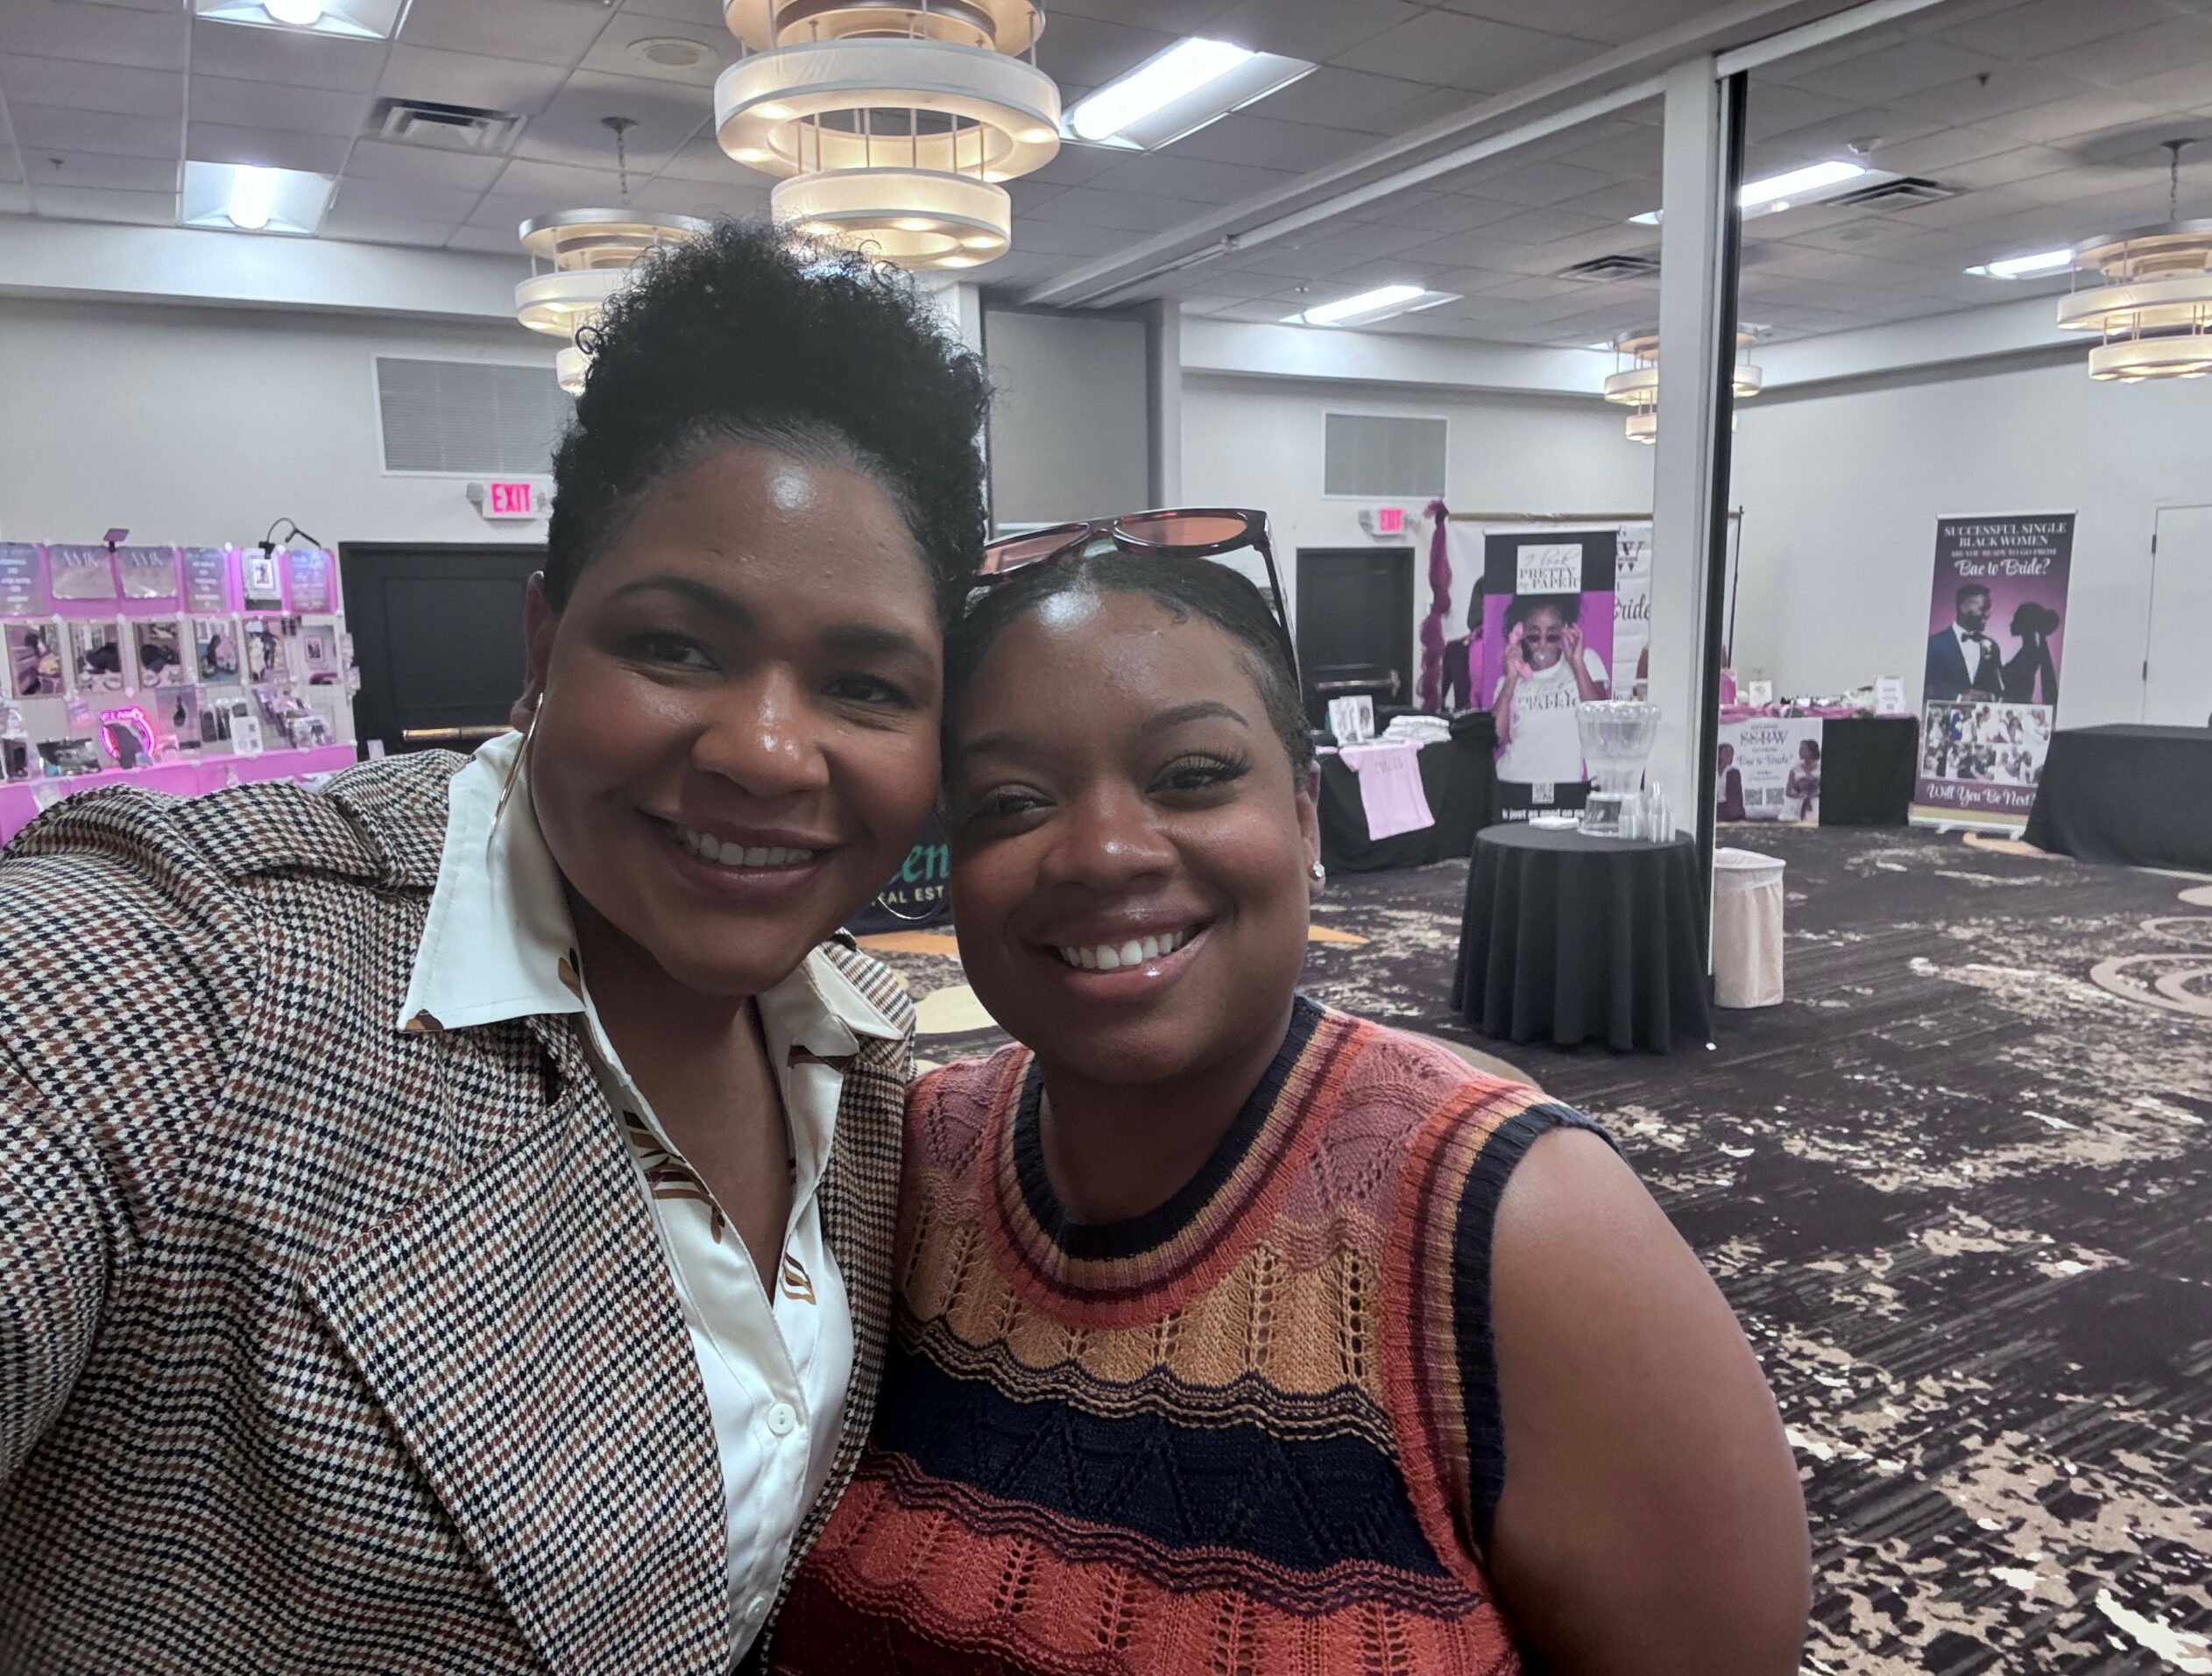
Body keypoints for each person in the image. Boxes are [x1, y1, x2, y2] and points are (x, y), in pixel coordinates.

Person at [0, 223, 990, 1669]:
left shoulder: (868, 1064)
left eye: (864, 683)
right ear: (541, 647)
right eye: (677, 646)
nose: (769, 751)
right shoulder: (202, 964)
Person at [770, 551, 1812, 1673]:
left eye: (1192, 774)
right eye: (1013, 801)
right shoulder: (897, 1161)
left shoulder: (1517, 1227)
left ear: (1307, 815)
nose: (1105, 851)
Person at [1488, 593, 1608, 786]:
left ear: (1565, 631)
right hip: (1512, 786)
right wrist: (1510, 679)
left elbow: (1602, 723)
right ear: (1521, 633)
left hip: (1567, 789)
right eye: (1534, 635)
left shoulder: (1585, 662)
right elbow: (1493, 738)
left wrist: (1577, 664)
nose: (1542, 643)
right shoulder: (1509, 680)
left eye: (1552, 635)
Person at [1924, 583, 2004, 702]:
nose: (1988, 614)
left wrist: (1990, 696)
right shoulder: (1934, 644)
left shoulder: (1992, 647)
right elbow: (1926, 687)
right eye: (1983, 608)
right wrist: (1960, 698)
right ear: (1963, 608)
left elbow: (1999, 689)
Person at [2000, 602, 2060, 705]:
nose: (2012, 624)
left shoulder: (2030, 653)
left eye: (2017, 619)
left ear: (2026, 624)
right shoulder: (2031, 651)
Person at [1779, 736, 1822, 822]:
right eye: (1800, 748)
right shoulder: (1795, 769)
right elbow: (1788, 791)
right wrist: (1800, 795)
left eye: (1803, 749)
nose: (1800, 751)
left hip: (1816, 804)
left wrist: (1813, 794)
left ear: (1811, 751)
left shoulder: (1820, 768)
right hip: (1797, 805)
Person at [1718, 739, 1748, 822]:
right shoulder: (1713, 772)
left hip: (1730, 811)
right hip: (1716, 808)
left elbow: (1738, 795)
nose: (1728, 755)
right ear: (1719, 754)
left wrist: (1740, 813)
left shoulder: (1734, 772)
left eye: (1730, 753)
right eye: (1725, 752)